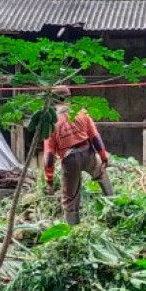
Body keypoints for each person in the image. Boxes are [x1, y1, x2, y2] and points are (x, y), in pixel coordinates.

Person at [42, 86, 113, 224]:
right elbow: (95, 139)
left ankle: (74, 230)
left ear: (53, 101)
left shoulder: (51, 122)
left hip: (69, 160)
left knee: (70, 198)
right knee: (102, 175)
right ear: (69, 98)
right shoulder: (81, 113)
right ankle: (114, 206)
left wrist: (49, 179)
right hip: (87, 152)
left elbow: (49, 155)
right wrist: (103, 157)